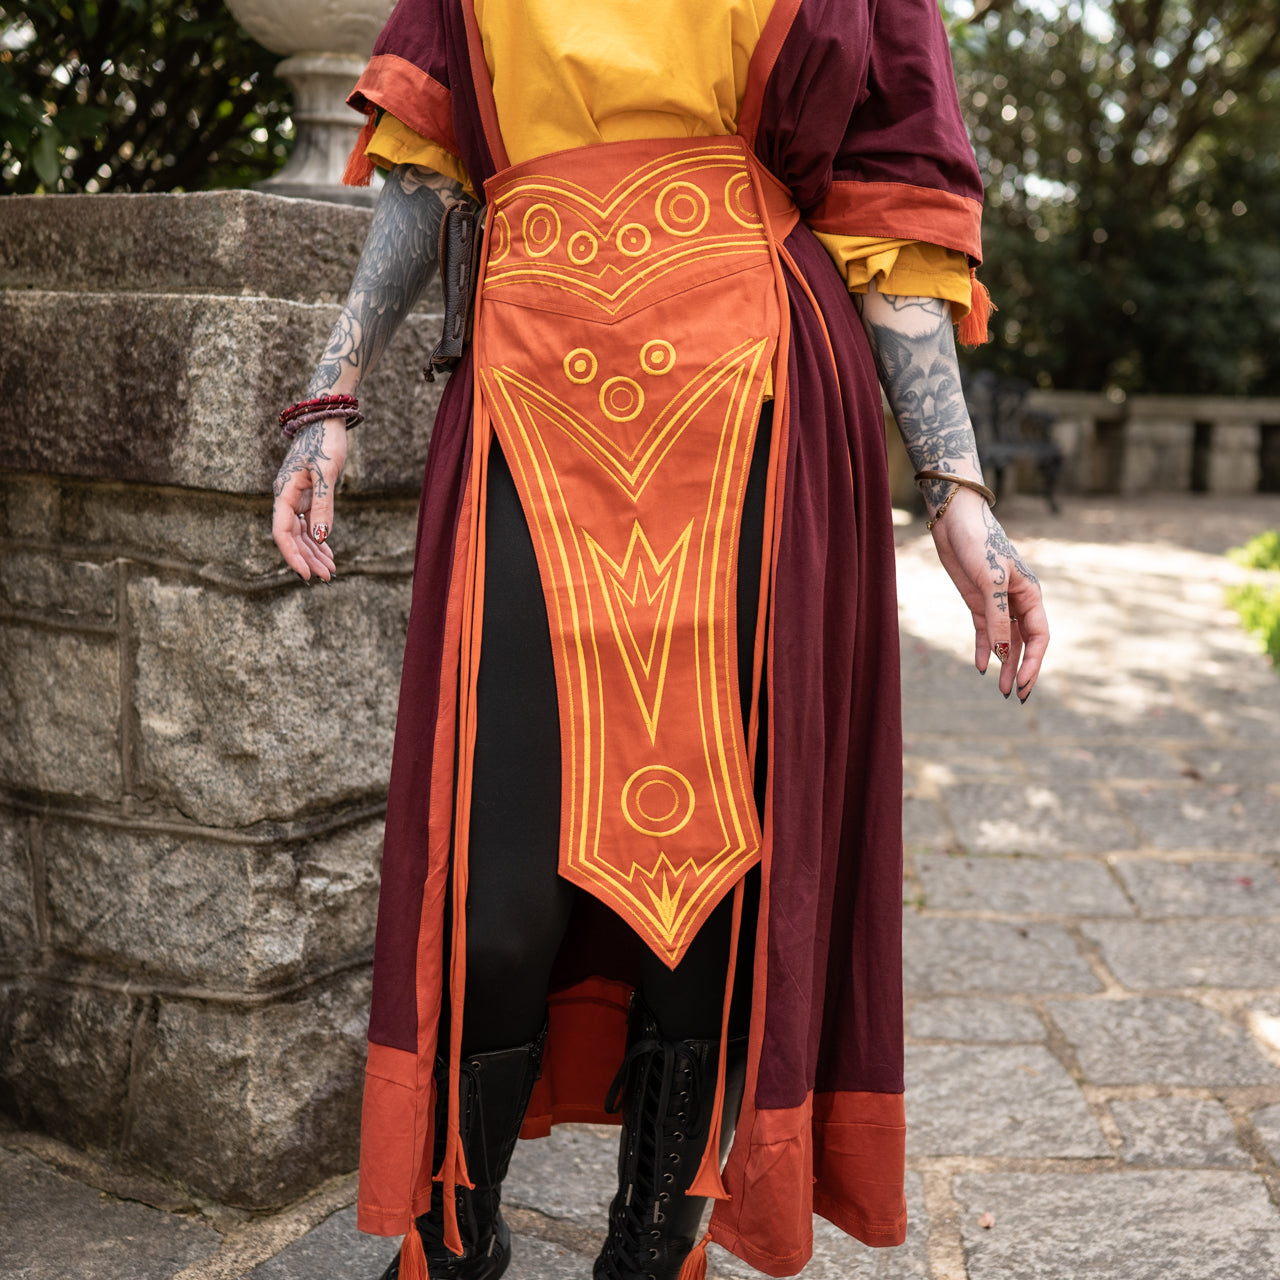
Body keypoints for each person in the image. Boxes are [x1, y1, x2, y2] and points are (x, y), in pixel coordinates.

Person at [271, 3, 1049, 1278]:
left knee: (713, 872)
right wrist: (332, 390)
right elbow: (427, 159)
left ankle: (650, 1244)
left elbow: (892, 199)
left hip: (758, 395)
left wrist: (954, 490)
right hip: (523, 384)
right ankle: (458, 1239)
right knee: (493, 885)